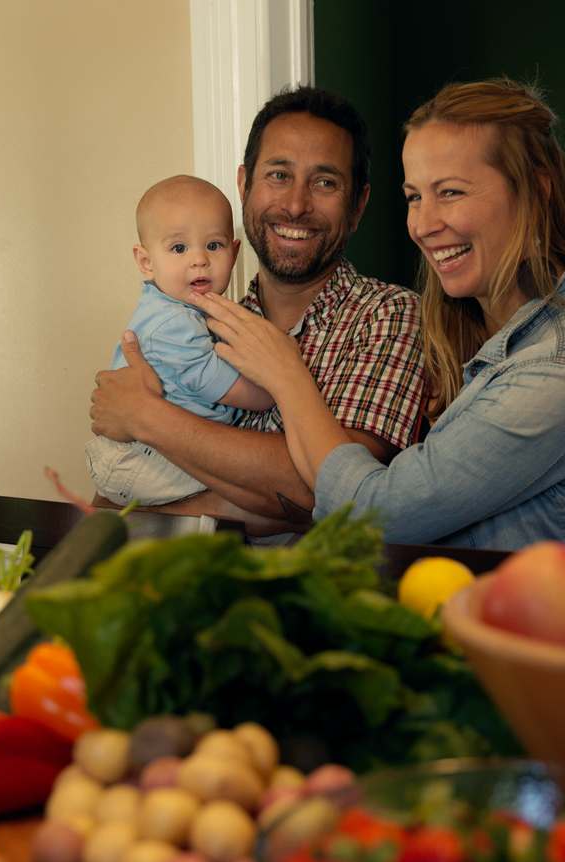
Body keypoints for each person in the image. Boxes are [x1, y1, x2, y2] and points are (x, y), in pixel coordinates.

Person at [188, 79, 565, 552]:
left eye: (450, 192)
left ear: (536, 190)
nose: (423, 225)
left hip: (526, 623)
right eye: (415, 196)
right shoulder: (471, 327)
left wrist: (286, 374)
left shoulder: (561, 366)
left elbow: (372, 515)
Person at [89, 86, 425, 538]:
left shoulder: (389, 317)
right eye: (279, 175)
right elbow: (108, 503)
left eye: (325, 182)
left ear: (358, 205)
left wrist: (146, 418)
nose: (295, 204)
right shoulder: (196, 324)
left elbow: (327, 492)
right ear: (245, 186)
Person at [85, 176, 275, 506]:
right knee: (253, 494)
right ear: (146, 263)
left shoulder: (188, 311)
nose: (199, 259)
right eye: (179, 248)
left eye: (213, 245)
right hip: (140, 460)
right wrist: (277, 389)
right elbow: (225, 387)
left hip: (148, 449)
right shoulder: (173, 322)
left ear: (233, 253)